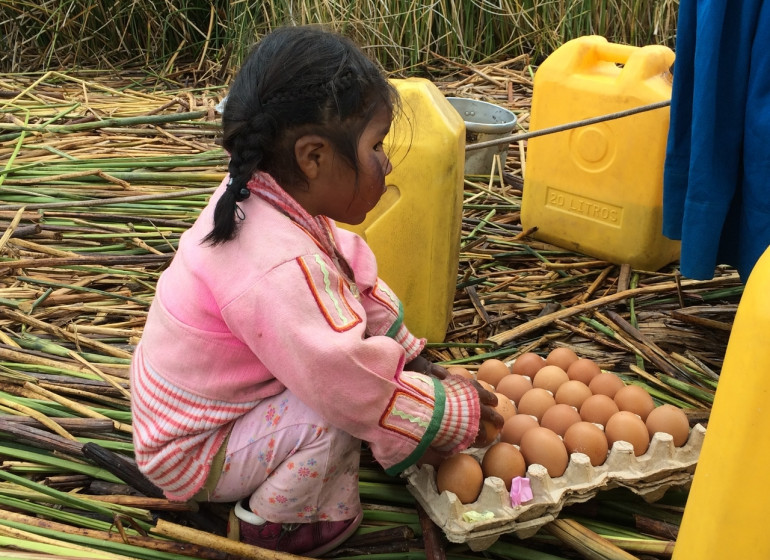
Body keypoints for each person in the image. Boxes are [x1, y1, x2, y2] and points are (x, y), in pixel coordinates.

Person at [129, 25, 502, 557]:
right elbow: (349, 380)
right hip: (192, 448)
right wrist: (446, 415)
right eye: (377, 146)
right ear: (313, 157)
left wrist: (415, 361)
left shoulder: (263, 199)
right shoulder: (277, 263)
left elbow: (349, 276)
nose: (387, 163)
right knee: (335, 411)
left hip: (191, 413)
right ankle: (276, 526)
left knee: (349, 392)